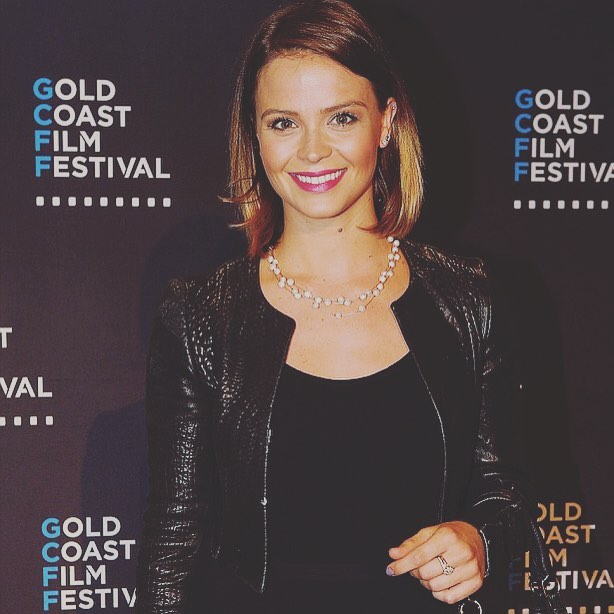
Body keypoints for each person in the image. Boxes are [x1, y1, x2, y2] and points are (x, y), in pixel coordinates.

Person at [136, 1, 563, 612]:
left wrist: (480, 540)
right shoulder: (200, 318)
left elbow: (506, 493)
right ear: (254, 135)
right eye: (284, 123)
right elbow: (174, 539)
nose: (313, 151)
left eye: (340, 117)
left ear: (386, 122)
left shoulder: (467, 300)